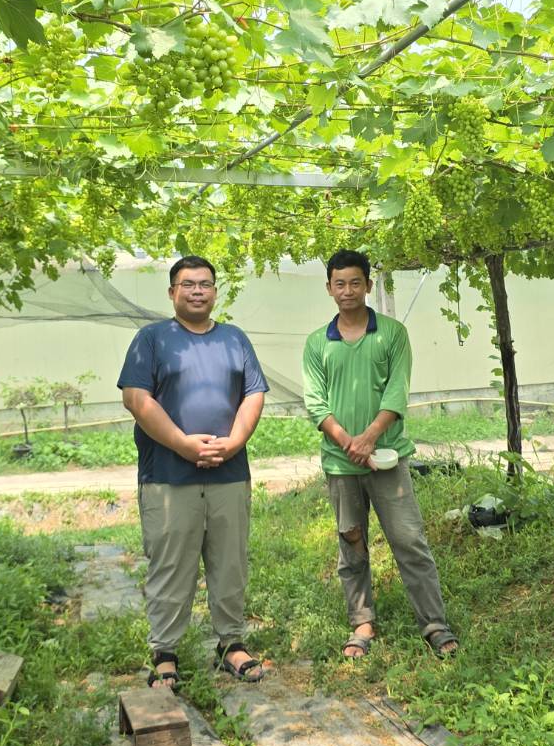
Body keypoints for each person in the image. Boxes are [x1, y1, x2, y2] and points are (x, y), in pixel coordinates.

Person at [118, 256, 269, 690]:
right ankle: (165, 652)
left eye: (205, 284)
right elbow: (136, 399)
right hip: (168, 475)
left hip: (229, 472)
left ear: (215, 290)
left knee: (230, 561)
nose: (197, 291)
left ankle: (231, 643)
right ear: (172, 293)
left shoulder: (234, 339)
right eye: (188, 284)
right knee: (170, 563)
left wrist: (236, 441)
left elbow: (253, 395)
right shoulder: (151, 339)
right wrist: (184, 445)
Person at [301, 249, 459, 660]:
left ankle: (435, 623)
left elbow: (396, 392)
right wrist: (348, 443)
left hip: (387, 458)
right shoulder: (318, 343)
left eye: (356, 282)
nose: (348, 290)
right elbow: (316, 403)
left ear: (369, 285)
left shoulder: (391, 334)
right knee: (350, 541)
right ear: (329, 288)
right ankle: (362, 621)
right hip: (341, 463)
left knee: (409, 540)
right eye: (340, 283)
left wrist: (370, 437)